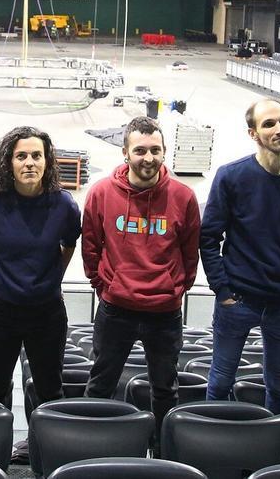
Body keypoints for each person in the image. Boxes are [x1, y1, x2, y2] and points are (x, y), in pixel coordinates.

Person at [200, 98, 280, 414]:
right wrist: (223, 291)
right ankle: (217, 447)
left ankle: (275, 450)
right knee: (219, 382)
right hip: (238, 300)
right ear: (253, 134)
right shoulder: (231, 177)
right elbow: (208, 237)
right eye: (269, 124)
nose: (279, 129)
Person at [82, 116, 200, 431]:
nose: (148, 158)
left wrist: (177, 288)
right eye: (140, 150)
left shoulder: (183, 196)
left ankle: (162, 451)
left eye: (155, 150)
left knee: (164, 390)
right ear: (125, 152)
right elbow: (91, 247)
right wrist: (103, 284)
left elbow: (191, 251)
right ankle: (93, 443)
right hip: (116, 308)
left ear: (164, 153)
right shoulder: (102, 193)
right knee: (101, 383)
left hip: (164, 311)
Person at [0, 126, 80, 462]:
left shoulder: (64, 205)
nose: (29, 162)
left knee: (49, 391)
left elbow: (69, 244)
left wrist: (51, 278)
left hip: (46, 313)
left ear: (47, 161)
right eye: (21, 156)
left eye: (36, 155)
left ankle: (43, 456)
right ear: (9, 162)